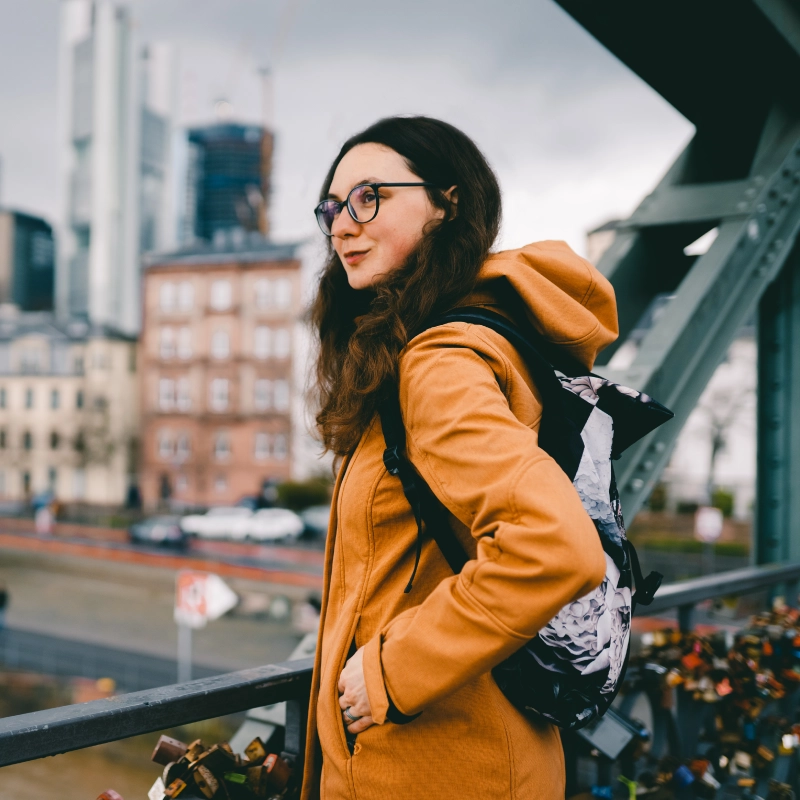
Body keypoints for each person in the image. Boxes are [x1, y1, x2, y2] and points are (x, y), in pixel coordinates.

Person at [303, 116, 618, 799]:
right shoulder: (472, 340)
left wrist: (395, 668)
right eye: (332, 207)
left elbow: (553, 547)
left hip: (437, 761)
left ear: (448, 202)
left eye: (369, 197)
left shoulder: (438, 362)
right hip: (478, 744)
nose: (342, 225)